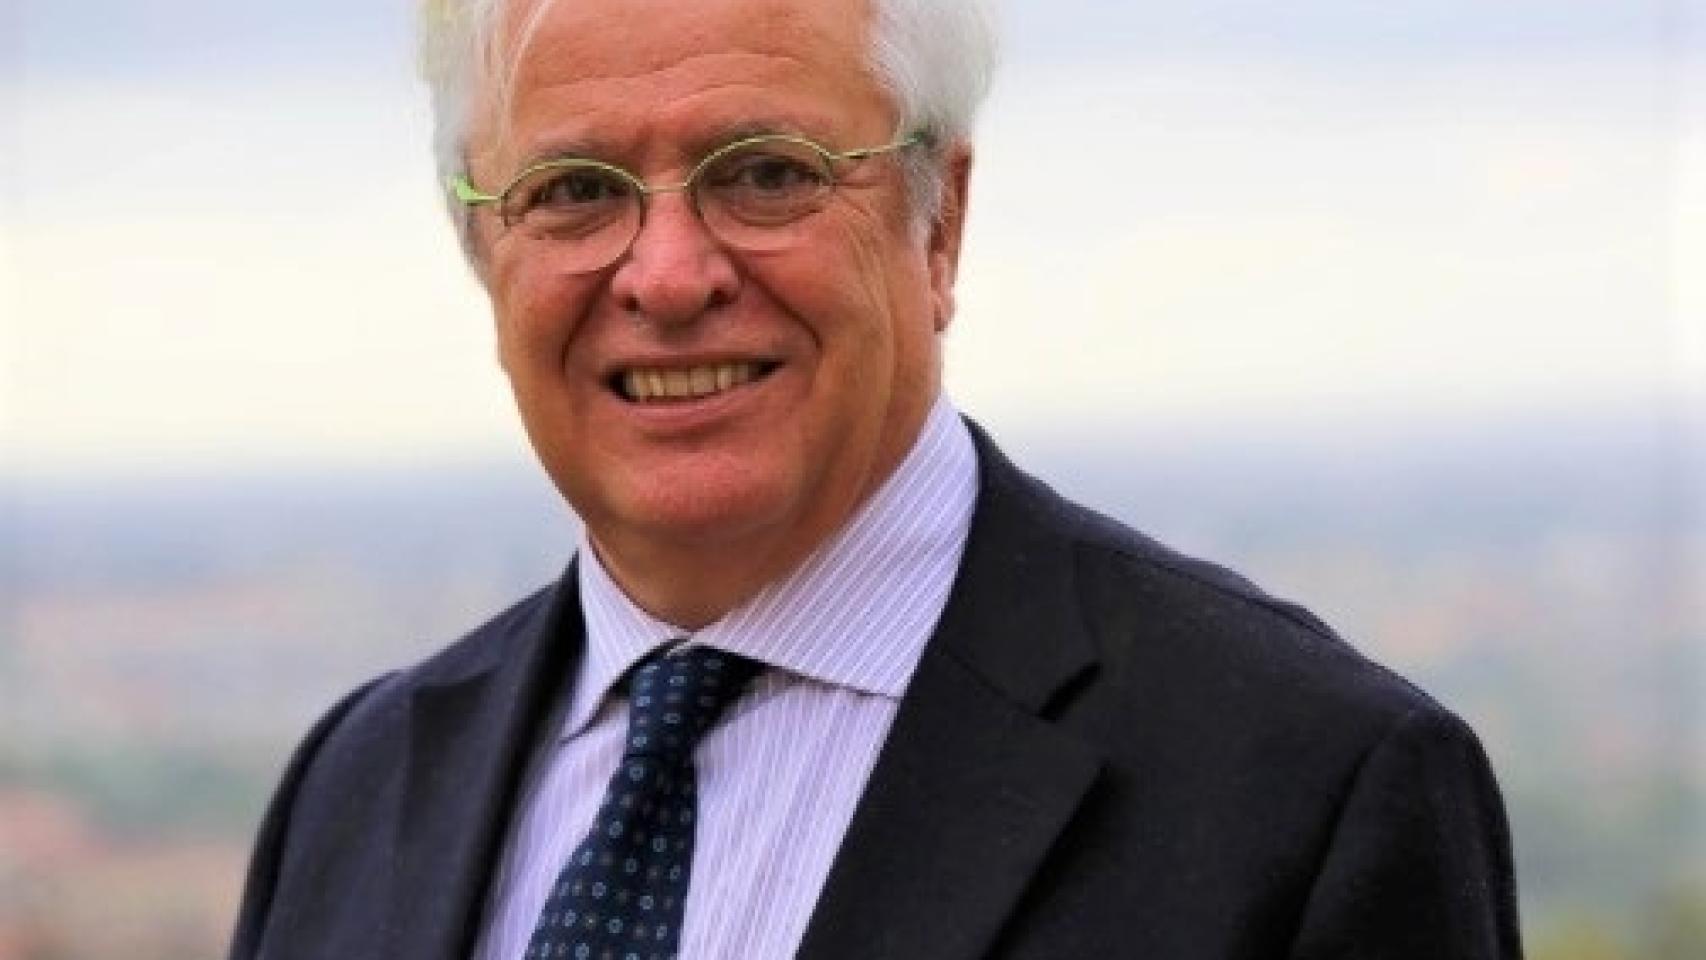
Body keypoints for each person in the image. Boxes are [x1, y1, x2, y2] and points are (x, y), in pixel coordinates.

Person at [228, 0, 1522, 957]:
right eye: (575, 189)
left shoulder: (1307, 789)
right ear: (483, 251)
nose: (667, 277)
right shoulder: (357, 785)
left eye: (764, 174)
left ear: (938, 223)